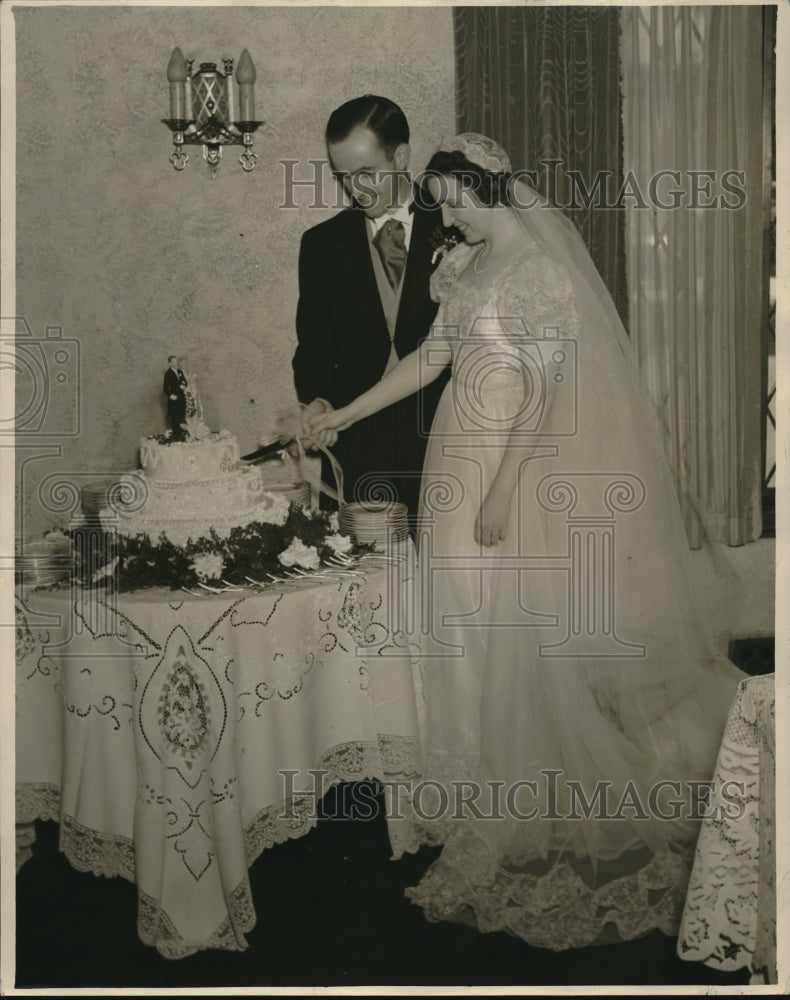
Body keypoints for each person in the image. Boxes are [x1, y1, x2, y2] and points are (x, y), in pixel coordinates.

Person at [309, 133, 746, 951]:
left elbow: (545, 392)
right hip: (451, 457)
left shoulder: (539, 274)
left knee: (495, 621)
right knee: (455, 615)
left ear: (481, 191)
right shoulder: (462, 268)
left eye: (449, 200)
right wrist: (344, 412)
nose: (443, 215)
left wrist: (506, 489)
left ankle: (510, 791)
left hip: (502, 463)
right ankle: (468, 781)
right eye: (439, 202)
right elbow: (426, 359)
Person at [293, 94, 452, 523]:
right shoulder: (322, 244)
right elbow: (314, 347)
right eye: (344, 177)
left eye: (367, 173)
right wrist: (319, 402)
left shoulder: (458, 224)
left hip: (445, 438)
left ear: (401, 156)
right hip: (356, 448)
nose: (356, 190)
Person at [163, 355, 187, 439]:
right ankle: (176, 436)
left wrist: (183, 385)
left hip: (181, 398)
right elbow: (165, 388)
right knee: (175, 417)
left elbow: (185, 381)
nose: (175, 363)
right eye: (173, 362)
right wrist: (171, 396)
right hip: (174, 400)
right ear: (169, 363)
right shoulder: (168, 373)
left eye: (176, 361)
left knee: (182, 416)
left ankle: (182, 435)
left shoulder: (180, 371)